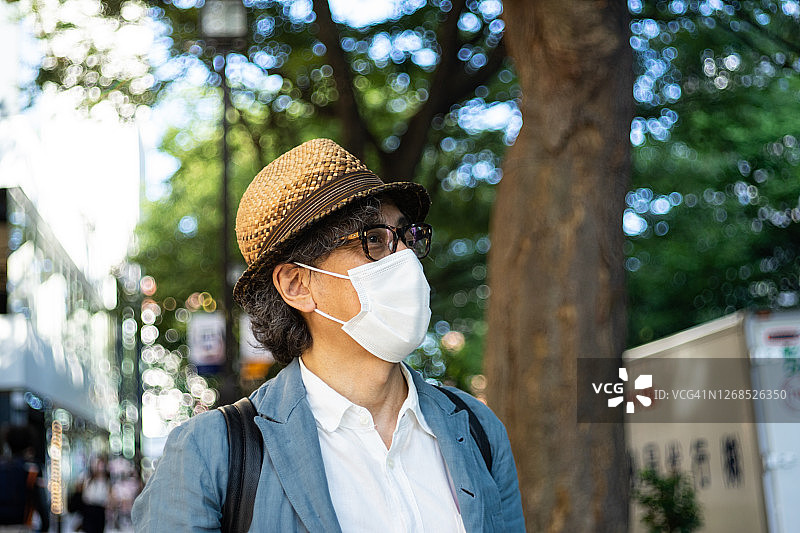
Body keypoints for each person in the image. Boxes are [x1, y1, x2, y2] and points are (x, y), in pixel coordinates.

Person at [132, 138, 525, 531]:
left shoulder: (477, 428)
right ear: (297, 285)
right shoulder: (210, 452)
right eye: (374, 240)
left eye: (406, 236)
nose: (404, 257)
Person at [0, 425, 49, 533]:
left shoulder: (2, 466)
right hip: (21, 526)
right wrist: (45, 526)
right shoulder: (31, 470)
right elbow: (41, 504)